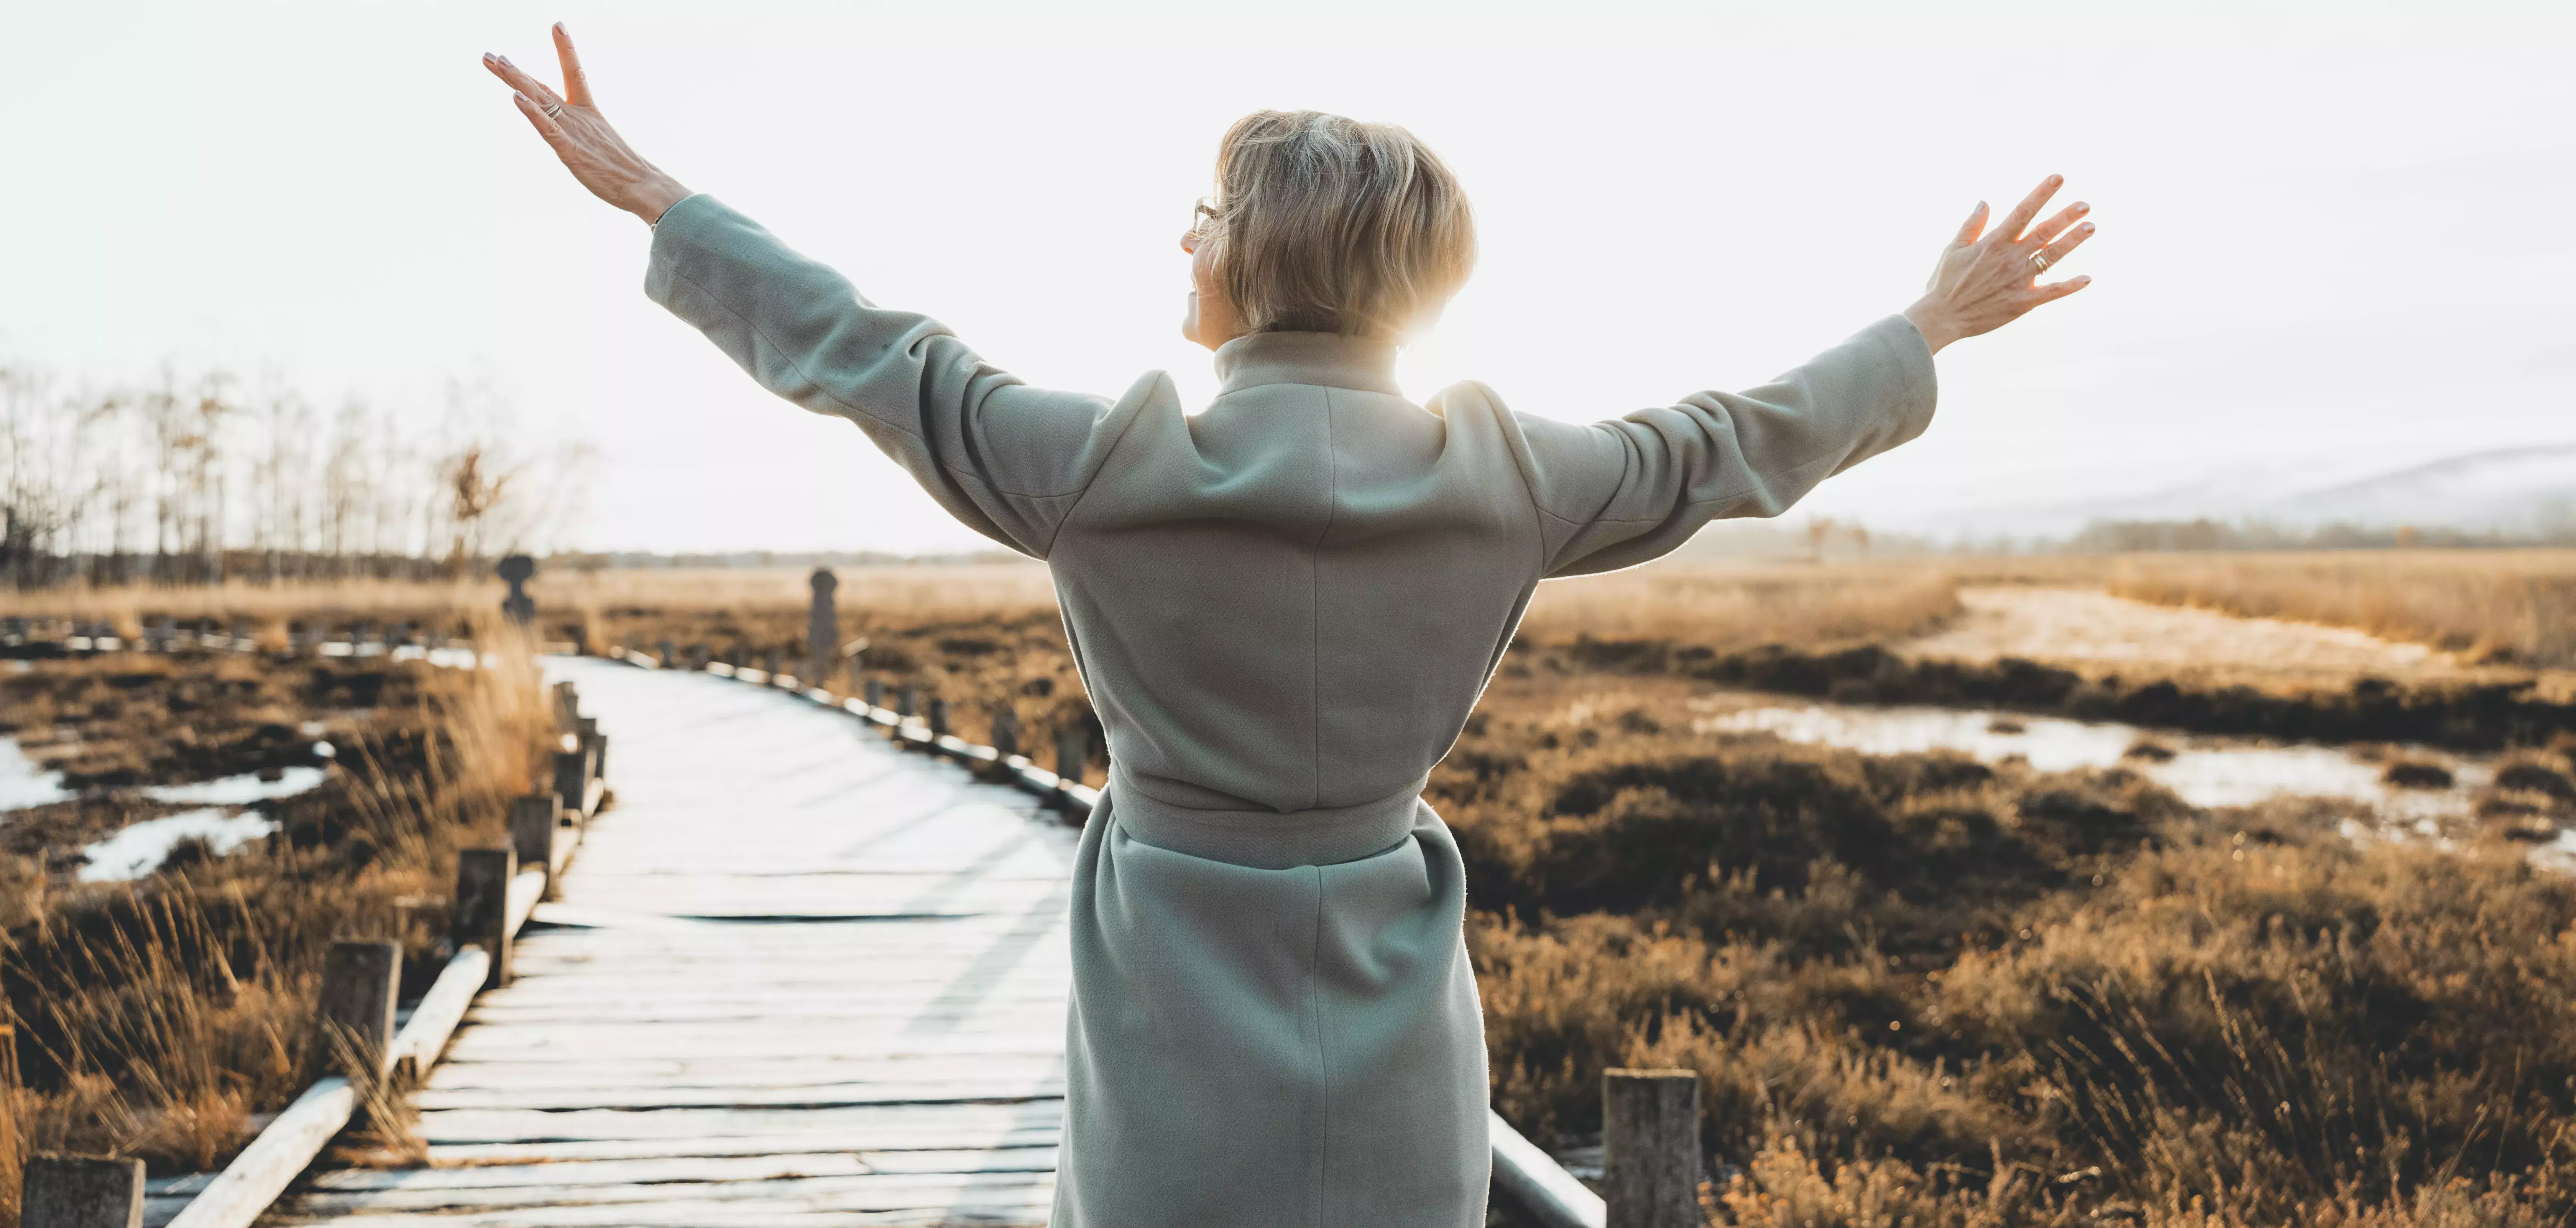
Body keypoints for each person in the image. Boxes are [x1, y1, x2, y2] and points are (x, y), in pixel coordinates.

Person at [484, 25, 2094, 1227]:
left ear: (1255, 256)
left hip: (1172, 1006)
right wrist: (1926, 326)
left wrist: (659, 200)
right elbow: (1730, 440)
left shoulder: (1107, 460)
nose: (1179, 234)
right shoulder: (1508, 472)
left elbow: (861, 347)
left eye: (1202, 210)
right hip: (1393, 1011)